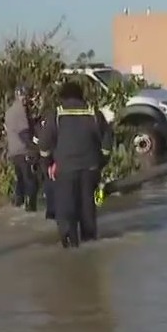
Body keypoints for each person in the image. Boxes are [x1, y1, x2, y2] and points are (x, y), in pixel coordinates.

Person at [38, 80, 113, 248]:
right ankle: (90, 241)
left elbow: (44, 145)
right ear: (81, 95)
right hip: (90, 169)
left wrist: (47, 165)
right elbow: (107, 141)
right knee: (88, 209)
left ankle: (70, 245)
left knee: (66, 211)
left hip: (65, 171)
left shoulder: (57, 115)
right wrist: (101, 162)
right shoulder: (94, 113)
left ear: (62, 97)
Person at [4, 87, 40, 211]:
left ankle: (18, 203)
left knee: (21, 180)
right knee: (30, 181)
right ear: (19, 96)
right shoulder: (20, 110)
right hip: (23, 150)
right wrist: (35, 150)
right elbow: (24, 133)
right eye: (24, 96)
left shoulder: (9, 111)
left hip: (13, 152)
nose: (26, 99)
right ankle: (31, 208)